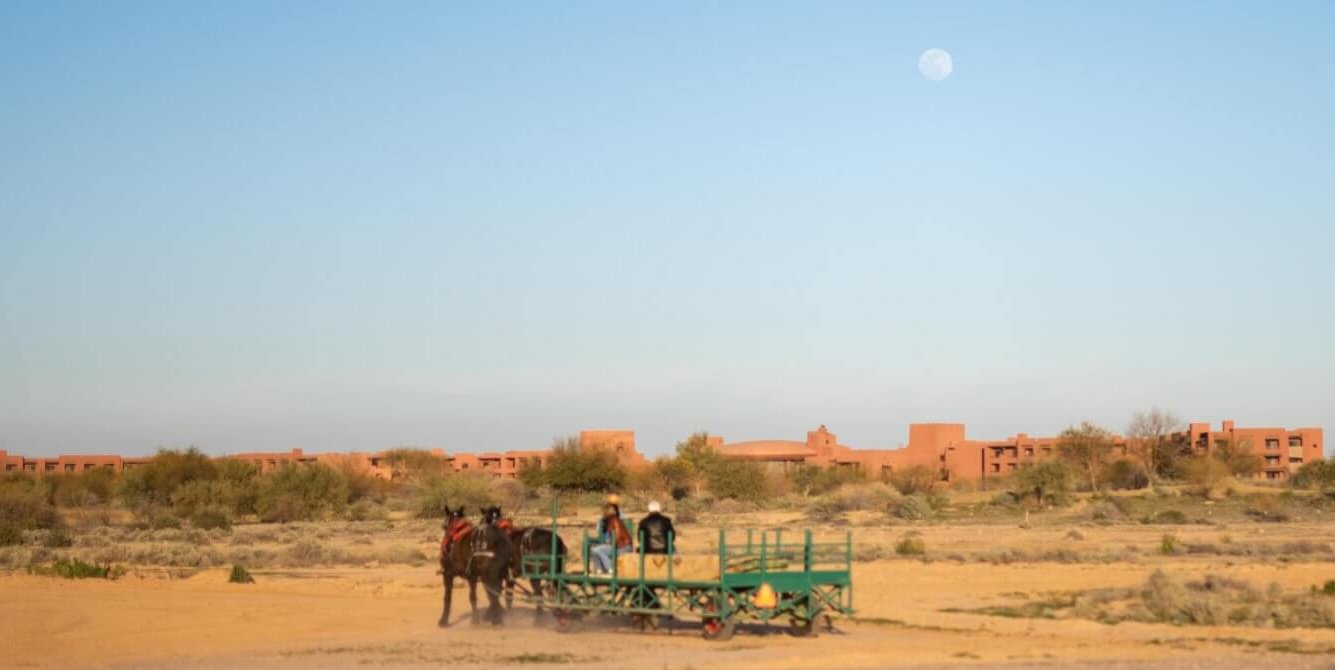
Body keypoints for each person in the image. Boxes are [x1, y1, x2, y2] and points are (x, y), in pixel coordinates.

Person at [589, 503, 632, 574]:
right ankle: (599, 570)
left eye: (603, 512)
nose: (602, 514)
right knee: (594, 550)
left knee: (597, 549)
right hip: (618, 546)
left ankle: (610, 568)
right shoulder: (611, 520)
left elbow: (617, 537)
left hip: (622, 547)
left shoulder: (614, 520)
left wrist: (609, 544)